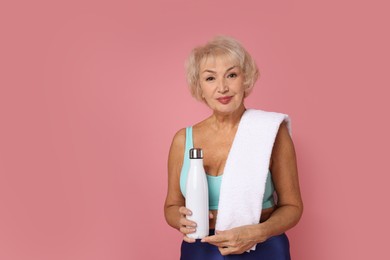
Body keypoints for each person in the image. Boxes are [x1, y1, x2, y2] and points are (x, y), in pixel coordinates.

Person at [164, 36, 303, 259]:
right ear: (199, 87)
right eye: (210, 78)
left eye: (231, 75)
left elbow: (292, 207)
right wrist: (178, 219)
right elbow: (171, 205)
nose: (222, 88)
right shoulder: (183, 140)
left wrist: (257, 233)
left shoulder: (269, 132)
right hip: (201, 249)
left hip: (262, 246)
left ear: (245, 78)